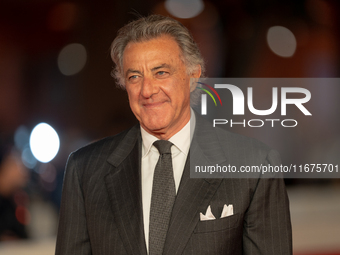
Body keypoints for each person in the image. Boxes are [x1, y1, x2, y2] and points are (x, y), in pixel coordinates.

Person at [55, 15, 292, 255]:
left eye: (161, 73)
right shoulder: (84, 170)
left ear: (193, 76)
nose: (147, 90)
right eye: (134, 76)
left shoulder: (255, 164)